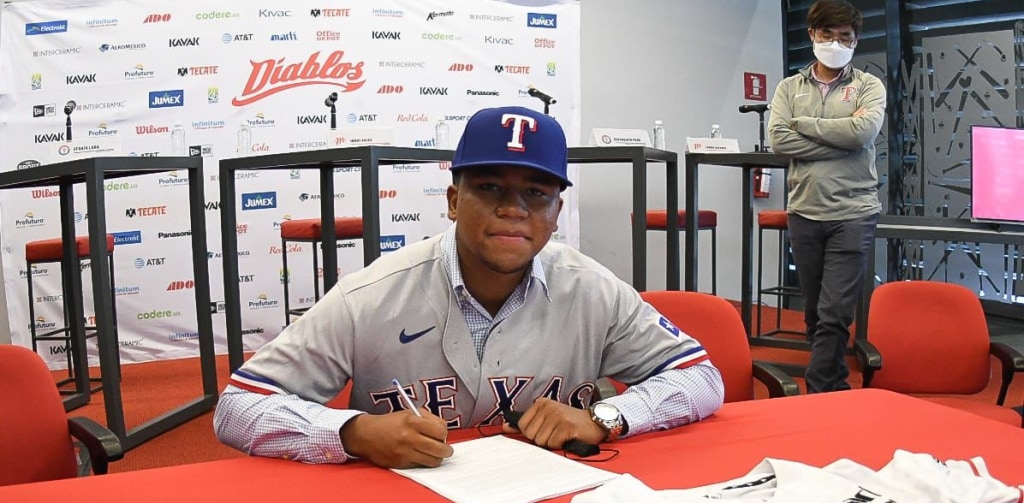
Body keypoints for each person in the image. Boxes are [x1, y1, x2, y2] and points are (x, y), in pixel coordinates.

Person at [214, 105, 724, 469]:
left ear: (556, 213)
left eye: (535, 193)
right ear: (454, 201)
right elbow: (239, 406)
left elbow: (699, 377)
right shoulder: (370, 294)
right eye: (490, 187)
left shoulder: (594, 289)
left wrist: (605, 417)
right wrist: (352, 433)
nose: (513, 209)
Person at [767, 0, 885, 394]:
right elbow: (779, 141)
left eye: (844, 37)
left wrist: (804, 125)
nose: (836, 43)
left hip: (853, 212)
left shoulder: (868, 86)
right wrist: (840, 141)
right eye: (827, 35)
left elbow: (862, 134)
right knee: (816, 313)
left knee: (835, 313)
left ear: (856, 40)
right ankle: (835, 388)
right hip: (805, 210)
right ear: (812, 35)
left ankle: (816, 393)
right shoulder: (789, 87)